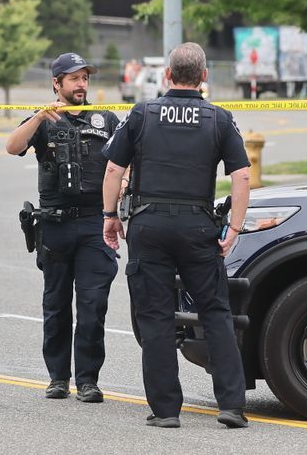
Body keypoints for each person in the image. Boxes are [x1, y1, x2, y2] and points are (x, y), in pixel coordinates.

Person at [101, 42, 252, 429]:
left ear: (167, 75)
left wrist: (109, 217)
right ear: (204, 77)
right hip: (198, 227)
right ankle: (231, 405)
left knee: (154, 316)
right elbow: (242, 176)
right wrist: (234, 226)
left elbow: (114, 171)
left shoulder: (142, 113)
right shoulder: (219, 118)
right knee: (215, 311)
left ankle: (167, 411)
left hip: (149, 226)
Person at [5, 52, 121, 404]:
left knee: (92, 305)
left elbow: (126, 160)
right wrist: (40, 115)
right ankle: (58, 378)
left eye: (85, 77)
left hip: (93, 224)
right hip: (55, 224)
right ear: (57, 84)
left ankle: (88, 380)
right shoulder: (44, 121)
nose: (82, 84)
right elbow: (13, 146)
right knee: (56, 305)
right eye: (74, 78)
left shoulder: (107, 120)